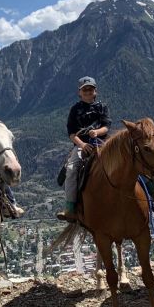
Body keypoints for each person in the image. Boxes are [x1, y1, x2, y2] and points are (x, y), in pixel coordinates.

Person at [57, 76, 110, 222]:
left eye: (90, 89)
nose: (88, 91)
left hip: (101, 142)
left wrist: (96, 132)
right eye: (84, 89)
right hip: (81, 145)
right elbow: (72, 134)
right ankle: (70, 207)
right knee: (72, 169)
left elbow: (106, 126)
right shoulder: (75, 109)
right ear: (79, 92)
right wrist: (83, 145)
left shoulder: (102, 107)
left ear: (95, 91)